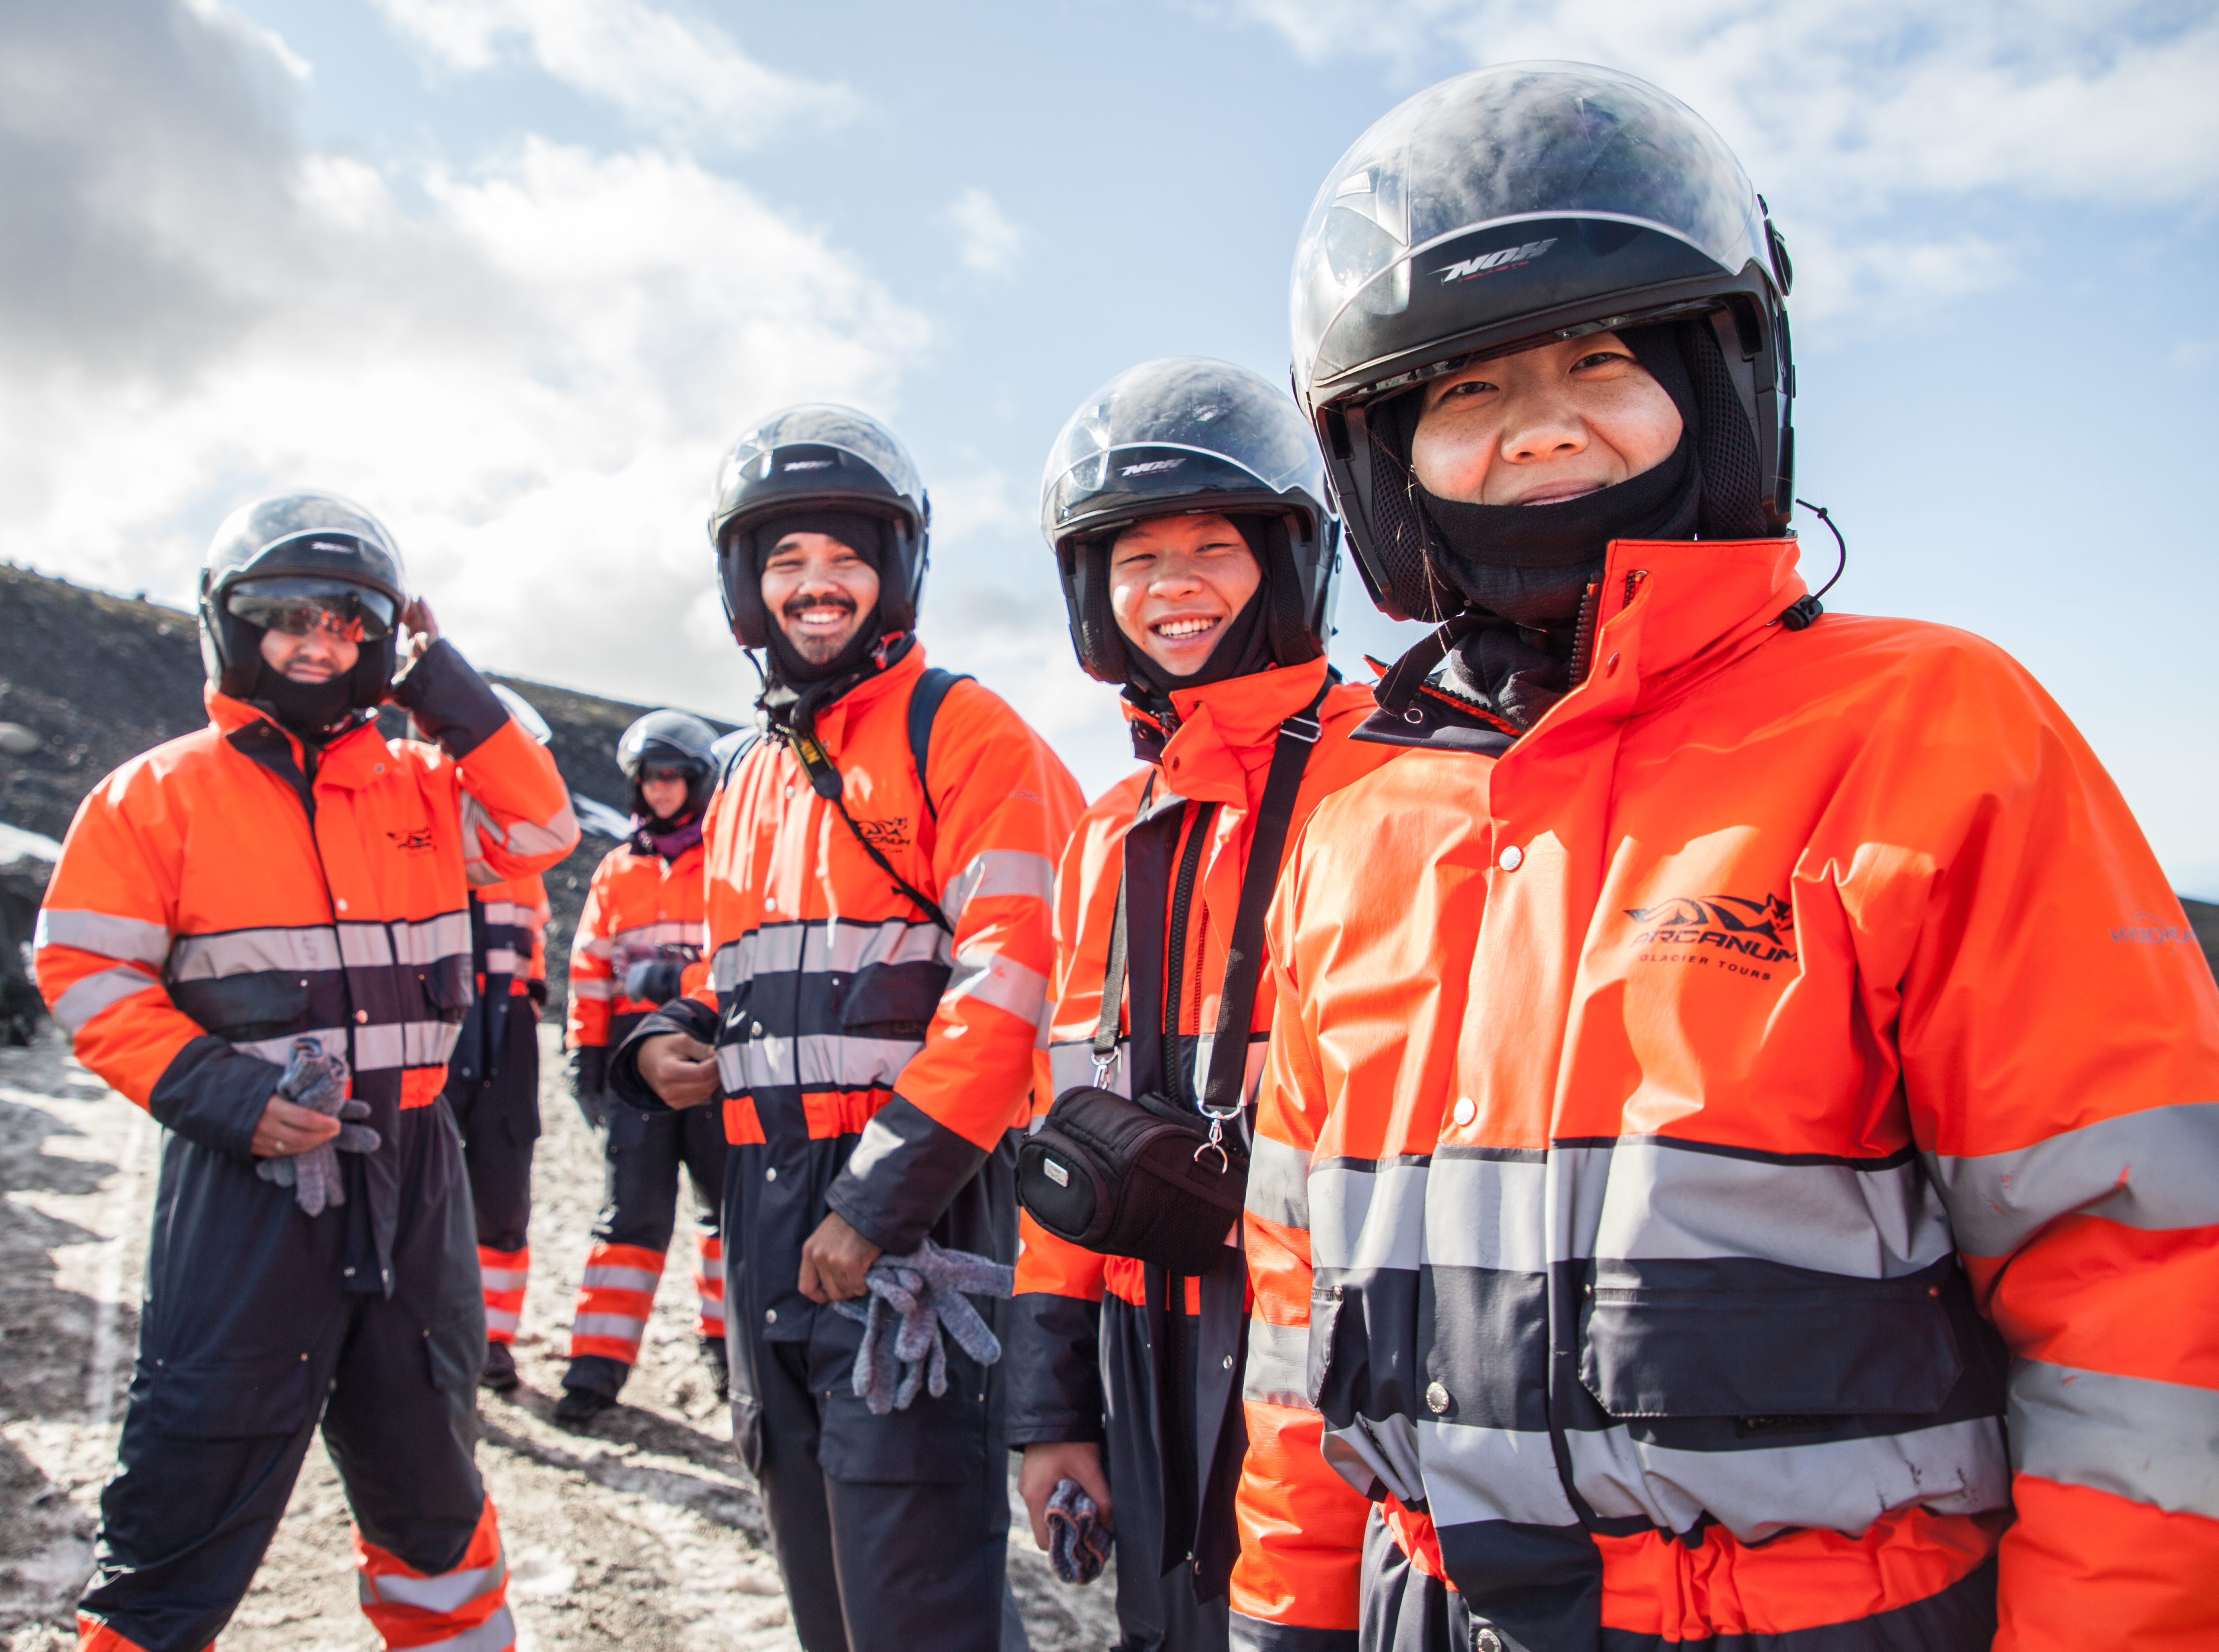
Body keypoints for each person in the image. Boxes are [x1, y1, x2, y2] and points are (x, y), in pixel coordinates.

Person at [1236, 62, 2219, 1651]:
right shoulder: (1361, 810)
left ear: (1724, 373)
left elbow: (2145, 1283)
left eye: (1600, 356)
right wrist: (1286, 1605)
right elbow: (1296, 1297)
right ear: (1383, 450)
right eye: (1464, 391)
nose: (1540, 424)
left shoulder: (1931, 726)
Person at [36, 492, 575, 1652]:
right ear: (230, 627)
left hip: (414, 1180)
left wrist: (443, 682)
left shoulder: (429, 782)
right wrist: (220, 1094)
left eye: (349, 621)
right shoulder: (154, 796)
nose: (319, 643)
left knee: (434, 1486)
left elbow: (541, 829)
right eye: (287, 617)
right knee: (185, 1495)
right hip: (247, 1192)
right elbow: (82, 970)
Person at [614, 405, 1083, 1652]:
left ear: (895, 571)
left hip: (912, 1223)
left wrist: (879, 1203)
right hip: (770, 1221)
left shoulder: (969, 733)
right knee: (831, 1595)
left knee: (917, 1595)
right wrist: (664, 1032)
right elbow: (742, 969)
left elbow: (1012, 985)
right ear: (744, 588)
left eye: (843, 559)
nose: (815, 587)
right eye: (784, 564)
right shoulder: (753, 771)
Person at [1007, 359, 1384, 1651]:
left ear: (1291, 558)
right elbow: (1071, 1131)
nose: (1168, 587)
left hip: (1348, 1362)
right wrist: (1049, 1407)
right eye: (1133, 558)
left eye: (1211, 547)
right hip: (1139, 1347)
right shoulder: (1110, 833)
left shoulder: (1399, 768)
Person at [555, 708, 726, 1423]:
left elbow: (745, 957)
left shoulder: (727, 856)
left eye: (672, 777)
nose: (660, 791)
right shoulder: (615, 869)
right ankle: (595, 1371)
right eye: (649, 779)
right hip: (635, 1068)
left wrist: (672, 984)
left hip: (716, 1060)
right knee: (629, 1219)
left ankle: (731, 1349)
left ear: (697, 782)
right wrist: (584, 1056)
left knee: (729, 1219)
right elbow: (590, 969)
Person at [444, 686, 559, 1396]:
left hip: (508, 1031)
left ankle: (491, 1342)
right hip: (437, 1025)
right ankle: (420, 1334)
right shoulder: (413, 831)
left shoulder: (528, 859)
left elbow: (534, 949)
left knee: (502, 1195)